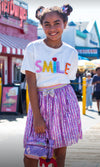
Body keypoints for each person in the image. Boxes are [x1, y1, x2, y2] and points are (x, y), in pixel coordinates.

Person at [21, 4, 82, 167]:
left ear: (65, 24)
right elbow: (31, 82)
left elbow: (66, 81)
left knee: (60, 152)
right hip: (39, 101)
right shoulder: (33, 48)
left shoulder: (71, 52)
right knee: (31, 152)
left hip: (64, 101)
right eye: (46, 24)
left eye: (57, 23)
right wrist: (37, 116)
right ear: (41, 26)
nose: (52, 28)